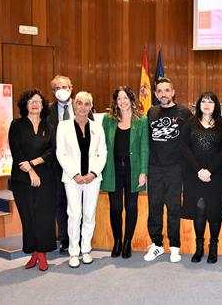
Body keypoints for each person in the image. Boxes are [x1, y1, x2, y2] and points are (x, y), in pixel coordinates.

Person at [181, 92, 222, 264]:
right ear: (199, 104)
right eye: (203, 101)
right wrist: (199, 170)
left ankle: (213, 246)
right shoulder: (190, 123)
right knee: (200, 207)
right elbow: (184, 148)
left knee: (214, 209)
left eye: (210, 102)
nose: (206, 104)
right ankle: (199, 247)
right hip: (194, 174)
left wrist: (210, 170)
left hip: (217, 174)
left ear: (216, 105)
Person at [56, 92, 107, 268]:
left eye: (87, 104)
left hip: (93, 178)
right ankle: (73, 251)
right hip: (73, 179)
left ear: (91, 107)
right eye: (79, 103)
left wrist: (93, 173)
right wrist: (74, 174)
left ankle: (86, 250)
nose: (83, 107)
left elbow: (103, 152)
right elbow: (60, 153)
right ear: (74, 105)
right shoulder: (63, 127)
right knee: (74, 214)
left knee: (89, 214)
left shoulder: (97, 127)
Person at [143, 78, 192, 262]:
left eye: (166, 90)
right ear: (155, 94)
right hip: (155, 168)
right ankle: (156, 245)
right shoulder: (151, 112)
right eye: (160, 91)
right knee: (154, 207)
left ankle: (174, 246)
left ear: (173, 92)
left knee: (173, 208)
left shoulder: (184, 112)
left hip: (175, 168)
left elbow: (189, 141)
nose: (163, 94)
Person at [9, 89, 56, 271]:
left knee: (44, 216)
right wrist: (30, 170)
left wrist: (35, 163)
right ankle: (33, 252)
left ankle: (42, 254)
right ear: (25, 105)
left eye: (38, 101)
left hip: (46, 178)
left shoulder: (49, 127)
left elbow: (52, 151)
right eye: (31, 101)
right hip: (22, 178)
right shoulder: (16, 125)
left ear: (43, 105)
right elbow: (16, 151)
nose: (35, 104)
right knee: (28, 216)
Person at [47, 75, 93, 254]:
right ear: (53, 92)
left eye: (65, 86)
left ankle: (82, 240)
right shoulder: (47, 111)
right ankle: (65, 239)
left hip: (82, 166)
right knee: (61, 202)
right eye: (57, 87)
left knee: (81, 204)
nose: (62, 90)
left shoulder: (82, 104)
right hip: (57, 164)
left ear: (71, 88)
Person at [101, 87, 149, 259]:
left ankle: (127, 242)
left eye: (125, 98)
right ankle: (117, 241)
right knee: (115, 208)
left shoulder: (141, 120)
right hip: (113, 170)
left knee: (131, 207)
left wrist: (143, 171)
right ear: (115, 102)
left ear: (131, 99)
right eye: (119, 98)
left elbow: (144, 147)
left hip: (133, 170)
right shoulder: (108, 120)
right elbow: (102, 145)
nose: (122, 101)